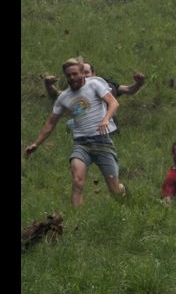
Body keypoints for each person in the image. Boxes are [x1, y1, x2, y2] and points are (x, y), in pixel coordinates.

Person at [25, 58, 126, 206]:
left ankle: (122, 190)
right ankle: (77, 221)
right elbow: (50, 123)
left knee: (114, 191)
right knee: (77, 181)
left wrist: (106, 119)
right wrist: (36, 144)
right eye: (68, 75)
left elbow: (113, 102)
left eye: (74, 74)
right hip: (81, 143)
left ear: (82, 74)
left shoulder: (94, 84)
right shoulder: (64, 97)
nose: (72, 78)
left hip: (102, 141)